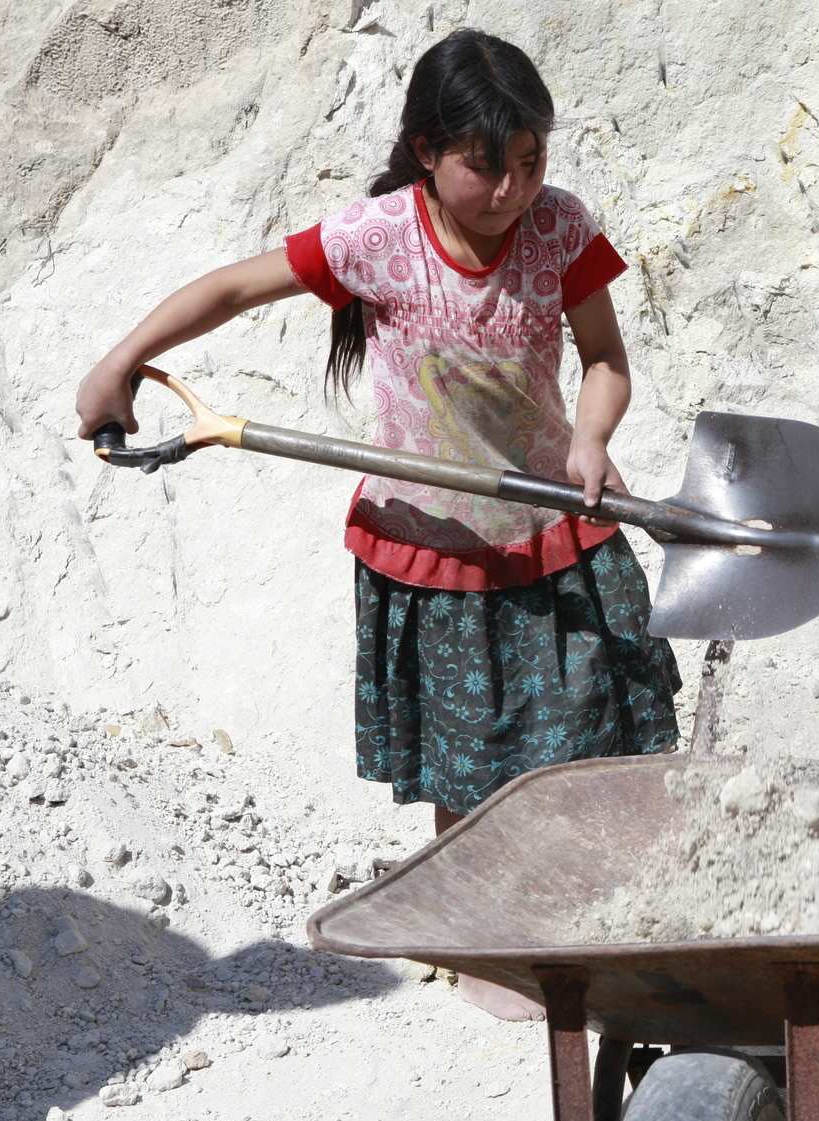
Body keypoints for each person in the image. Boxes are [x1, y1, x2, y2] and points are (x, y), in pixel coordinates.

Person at [75, 29, 682, 1013]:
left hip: (550, 524)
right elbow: (231, 287)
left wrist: (591, 436)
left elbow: (605, 359)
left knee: (594, 728)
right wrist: (117, 363)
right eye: (486, 166)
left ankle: (584, 916)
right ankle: (477, 938)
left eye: (531, 162)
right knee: (466, 754)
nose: (512, 190)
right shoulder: (379, 239)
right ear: (427, 151)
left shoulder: (561, 228)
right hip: (433, 544)